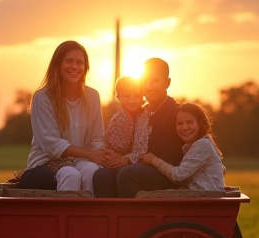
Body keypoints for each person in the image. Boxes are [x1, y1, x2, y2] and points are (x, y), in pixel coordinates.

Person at [16, 40, 106, 196]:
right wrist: (90, 155)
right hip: (44, 165)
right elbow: (52, 144)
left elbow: (97, 137)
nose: (75, 67)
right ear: (57, 64)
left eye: (80, 62)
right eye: (69, 61)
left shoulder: (93, 96)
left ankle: (88, 218)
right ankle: (65, 219)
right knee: (70, 174)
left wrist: (98, 156)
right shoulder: (43, 97)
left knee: (92, 170)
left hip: (81, 162)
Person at [94, 57, 184, 197]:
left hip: (165, 172)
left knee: (128, 174)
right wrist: (117, 158)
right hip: (137, 165)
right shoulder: (141, 112)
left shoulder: (176, 113)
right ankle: (110, 218)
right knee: (102, 175)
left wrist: (133, 160)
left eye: (155, 81)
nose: (148, 86)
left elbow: (173, 156)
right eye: (145, 81)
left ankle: (130, 218)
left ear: (167, 83)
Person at [142, 103, 225, 191]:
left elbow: (178, 175)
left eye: (190, 122)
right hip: (201, 195)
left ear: (200, 123)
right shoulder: (189, 146)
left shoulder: (202, 145)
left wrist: (153, 160)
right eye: (179, 123)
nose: (184, 127)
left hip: (207, 198)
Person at [93, 76, 150, 197]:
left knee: (123, 175)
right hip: (113, 160)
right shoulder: (120, 117)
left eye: (136, 96)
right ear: (118, 97)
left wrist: (126, 158)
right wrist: (109, 155)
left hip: (134, 161)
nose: (132, 100)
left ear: (142, 96)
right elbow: (110, 141)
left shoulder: (144, 117)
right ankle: (106, 213)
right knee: (101, 175)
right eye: (127, 96)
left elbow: (140, 146)